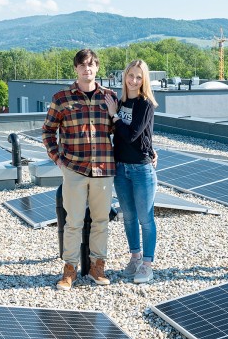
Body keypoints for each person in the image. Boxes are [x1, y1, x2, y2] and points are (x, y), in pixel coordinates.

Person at [43, 49, 117, 290]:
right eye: (83, 65)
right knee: (73, 222)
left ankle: (98, 267)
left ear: (97, 68)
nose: (87, 69)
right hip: (74, 169)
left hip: (103, 169)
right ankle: (70, 270)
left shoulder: (110, 98)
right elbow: (47, 131)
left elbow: (122, 131)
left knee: (101, 221)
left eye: (92, 65)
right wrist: (58, 159)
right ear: (75, 68)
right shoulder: (62, 98)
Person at [105, 60, 158, 284]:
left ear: (144, 80)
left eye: (139, 77)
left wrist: (115, 116)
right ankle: (135, 258)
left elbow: (133, 134)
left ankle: (147, 265)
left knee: (145, 219)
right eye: (131, 76)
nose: (134, 80)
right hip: (120, 167)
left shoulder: (145, 104)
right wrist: (114, 114)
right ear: (124, 77)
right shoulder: (121, 101)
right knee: (128, 218)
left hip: (141, 169)